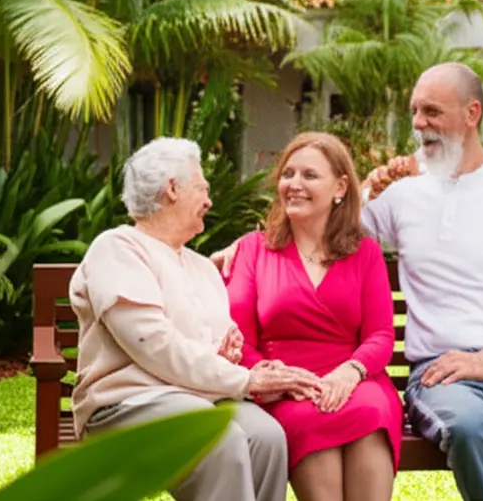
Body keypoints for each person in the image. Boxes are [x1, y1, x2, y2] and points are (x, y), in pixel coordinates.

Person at [215, 63, 483, 501]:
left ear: (472, 113)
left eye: (431, 111)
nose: (418, 124)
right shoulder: (403, 197)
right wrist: (244, 245)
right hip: (438, 372)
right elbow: (322, 226)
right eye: (415, 111)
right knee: (469, 428)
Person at [69, 137, 322, 501]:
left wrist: (227, 354)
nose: (209, 201)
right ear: (172, 189)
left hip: (198, 398)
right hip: (126, 404)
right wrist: (245, 379)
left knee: (266, 437)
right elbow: (153, 345)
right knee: (218, 436)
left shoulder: (201, 266)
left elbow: (208, 347)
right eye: (203, 189)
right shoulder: (117, 248)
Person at [224, 131, 403, 501]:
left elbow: (381, 335)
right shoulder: (252, 250)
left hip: (355, 379)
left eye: (309, 175)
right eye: (288, 174)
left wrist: (349, 373)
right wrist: (280, 379)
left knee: (372, 414)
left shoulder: (364, 252)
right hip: (285, 388)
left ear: (340, 187)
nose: (294, 184)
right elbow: (241, 339)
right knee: (310, 418)